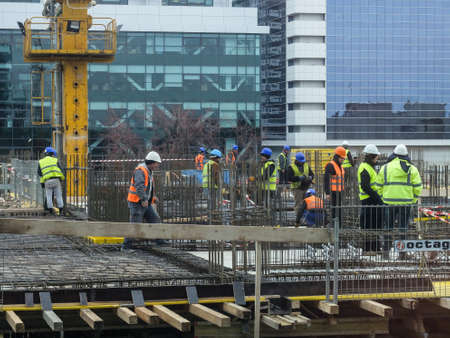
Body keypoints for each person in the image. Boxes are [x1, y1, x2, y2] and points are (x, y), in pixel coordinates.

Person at [376, 144, 422, 258]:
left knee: (388, 228)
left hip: (388, 202)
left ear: (394, 154)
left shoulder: (385, 167)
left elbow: (378, 186)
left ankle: (385, 253)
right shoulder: (411, 168)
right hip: (405, 203)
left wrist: (384, 197)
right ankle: (402, 253)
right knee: (403, 228)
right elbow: (418, 187)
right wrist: (413, 199)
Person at [125, 151, 162, 249]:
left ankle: (161, 242)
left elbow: (148, 188)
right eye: (157, 163)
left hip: (145, 202)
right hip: (136, 202)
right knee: (135, 225)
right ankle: (126, 246)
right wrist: (144, 199)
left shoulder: (149, 171)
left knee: (155, 220)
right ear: (152, 162)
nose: (157, 166)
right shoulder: (141, 171)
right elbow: (140, 187)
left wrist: (152, 198)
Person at [358, 144, 383, 253]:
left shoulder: (370, 167)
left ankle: (375, 248)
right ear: (372, 156)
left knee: (375, 225)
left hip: (372, 200)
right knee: (369, 226)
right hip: (368, 200)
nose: (378, 158)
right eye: (376, 156)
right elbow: (365, 186)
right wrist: (377, 197)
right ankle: (368, 249)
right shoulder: (365, 168)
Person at [287, 152, 314, 223]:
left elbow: (312, 174)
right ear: (297, 160)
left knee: (306, 204)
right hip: (297, 188)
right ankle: (299, 219)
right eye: (301, 161)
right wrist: (299, 178)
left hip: (306, 187)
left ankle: (306, 219)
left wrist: (310, 177)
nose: (302, 162)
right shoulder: (291, 167)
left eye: (303, 161)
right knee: (299, 204)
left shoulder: (306, 165)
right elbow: (289, 178)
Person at [38, 146, 65, 215]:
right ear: (52, 154)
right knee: (59, 195)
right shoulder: (55, 160)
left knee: (49, 196)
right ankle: (61, 211)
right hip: (56, 180)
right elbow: (61, 170)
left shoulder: (41, 162)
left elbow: (39, 173)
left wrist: (42, 182)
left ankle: (50, 211)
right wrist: (61, 179)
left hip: (47, 181)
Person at [324, 146, 346, 224]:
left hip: (339, 191)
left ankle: (339, 225)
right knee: (334, 210)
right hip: (333, 192)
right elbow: (326, 180)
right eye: (342, 158)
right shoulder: (330, 165)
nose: (343, 160)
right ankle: (335, 225)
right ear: (337, 157)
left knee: (339, 209)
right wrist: (327, 193)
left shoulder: (340, 166)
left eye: (344, 159)